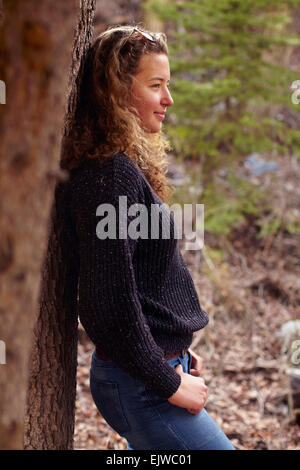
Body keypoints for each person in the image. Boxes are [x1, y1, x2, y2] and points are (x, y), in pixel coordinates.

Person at [58, 25, 235, 450]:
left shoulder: (119, 166)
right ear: (117, 91)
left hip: (149, 370)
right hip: (142, 384)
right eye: (156, 86)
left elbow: (140, 278)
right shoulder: (110, 175)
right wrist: (168, 383)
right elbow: (105, 304)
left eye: (167, 85)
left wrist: (176, 348)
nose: (168, 99)